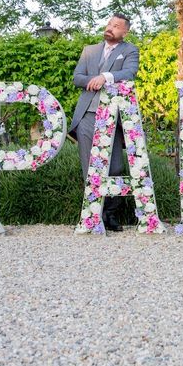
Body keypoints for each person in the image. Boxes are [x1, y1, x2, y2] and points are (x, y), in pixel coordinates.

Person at [69, 13, 140, 231]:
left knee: (116, 167)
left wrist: (106, 77)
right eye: (110, 23)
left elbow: (130, 72)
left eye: (116, 26)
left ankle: (111, 214)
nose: (111, 27)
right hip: (87, 115)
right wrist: (93, 80)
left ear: (124, 32)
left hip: (115, 116)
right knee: (89, 167)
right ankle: (94, 215)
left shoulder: (130, 50)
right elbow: (77, 77)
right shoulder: (89, 50)